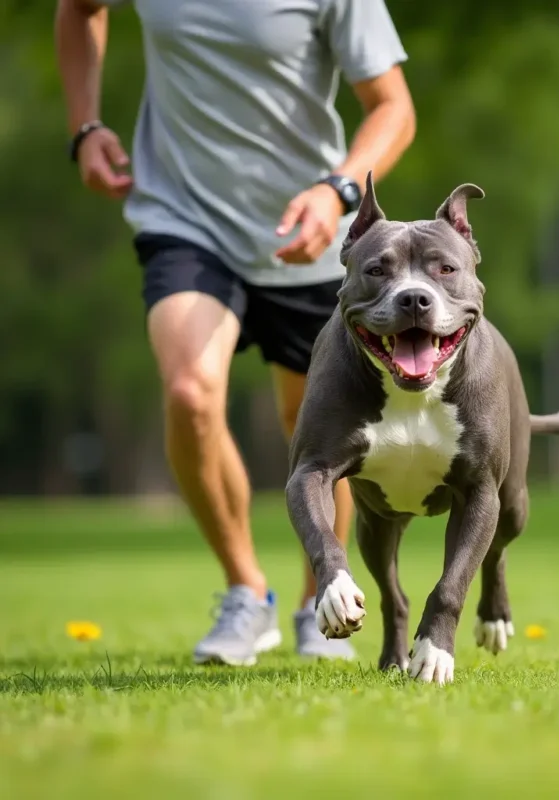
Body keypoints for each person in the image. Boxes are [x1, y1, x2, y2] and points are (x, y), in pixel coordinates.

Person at [55, 0, 415, 665]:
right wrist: (86, 125)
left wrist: (337, 191)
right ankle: (247, 592)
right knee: (190, 393)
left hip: (307, 228)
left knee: (315, 427)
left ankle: (320, 599)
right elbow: (79, 10)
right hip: (184, 218)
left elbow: (394, 107)